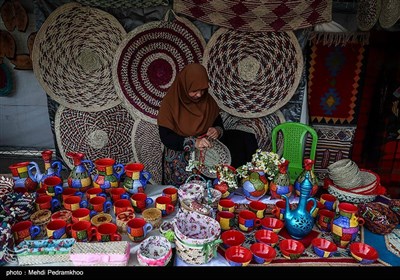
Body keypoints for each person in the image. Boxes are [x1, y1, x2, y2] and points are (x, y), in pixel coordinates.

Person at [157, 63, 257, 187]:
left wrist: (217, 130)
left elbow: (218, 124)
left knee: (207, 198)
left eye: (203, 90)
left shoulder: (208, 102)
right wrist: (194, 143)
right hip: (179, 165)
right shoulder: (170, 105)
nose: (199, 95)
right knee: (180, 198)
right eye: (194, 91)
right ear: (184, 86)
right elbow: (166, 137)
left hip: (207, 160)